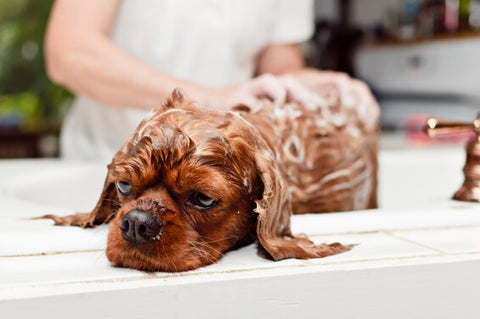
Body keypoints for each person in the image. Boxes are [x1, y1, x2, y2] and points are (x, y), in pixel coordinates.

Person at [45, 0, 377, 160]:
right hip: (104, 163)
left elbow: (278, 73)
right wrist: (209, 100)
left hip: (212, 179)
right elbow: (69, 53)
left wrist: (320, 85)